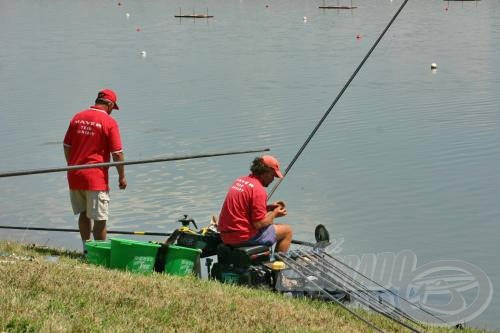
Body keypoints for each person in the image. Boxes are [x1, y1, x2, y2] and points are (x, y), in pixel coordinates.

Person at [63, 89, 127, 252]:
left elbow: (66, 146)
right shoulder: (109, 122)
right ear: (110, 104)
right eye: (113, 108)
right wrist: (122, 177)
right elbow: (117, 154)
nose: (113, 111)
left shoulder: (77, 117)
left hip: (75, 175)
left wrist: (72, 166)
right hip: (95, 178)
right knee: (100, 219)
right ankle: (100, 253)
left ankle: (86, 249)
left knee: (84, 214)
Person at [218, 155, 293, 252]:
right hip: (242, 237)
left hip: (225, 235)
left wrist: (268, 208)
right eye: (272, 175)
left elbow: (244, 210)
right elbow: (259, 224)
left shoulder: (240, 181)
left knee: (274, 227)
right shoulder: (258, 190)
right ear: (266, 172)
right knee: (287, 231)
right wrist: (274, 214)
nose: (273, 179)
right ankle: (278, 265)